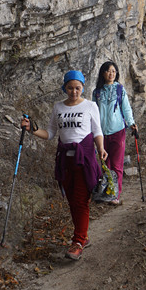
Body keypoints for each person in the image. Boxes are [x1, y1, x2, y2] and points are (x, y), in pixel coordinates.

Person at [21, 70, 107, 261]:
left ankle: (77, 241)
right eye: (70, 88)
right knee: (71, 201)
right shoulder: (58, 107)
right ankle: (82, 237)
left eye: (77, 88)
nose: (74, 92)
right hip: (64, 161)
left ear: (83, 87)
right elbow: (50, 133)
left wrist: (100, 149)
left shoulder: (90, 106)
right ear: (64, 88)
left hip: (84, 159)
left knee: (81, 200)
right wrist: (31, 129)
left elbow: (97, 131)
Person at [92, 61, 137, 204]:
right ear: (103, 73)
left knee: (116, 165)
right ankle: (107, 192)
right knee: (105, 164)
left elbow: (126, 108)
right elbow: (93, 113)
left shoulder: (119, 89)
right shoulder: (97, 92)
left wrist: (131, 124)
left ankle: (115, 196)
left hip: (118, 131)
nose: (111, 74)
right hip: (101, 134)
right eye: (108, 71)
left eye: (113, 71)